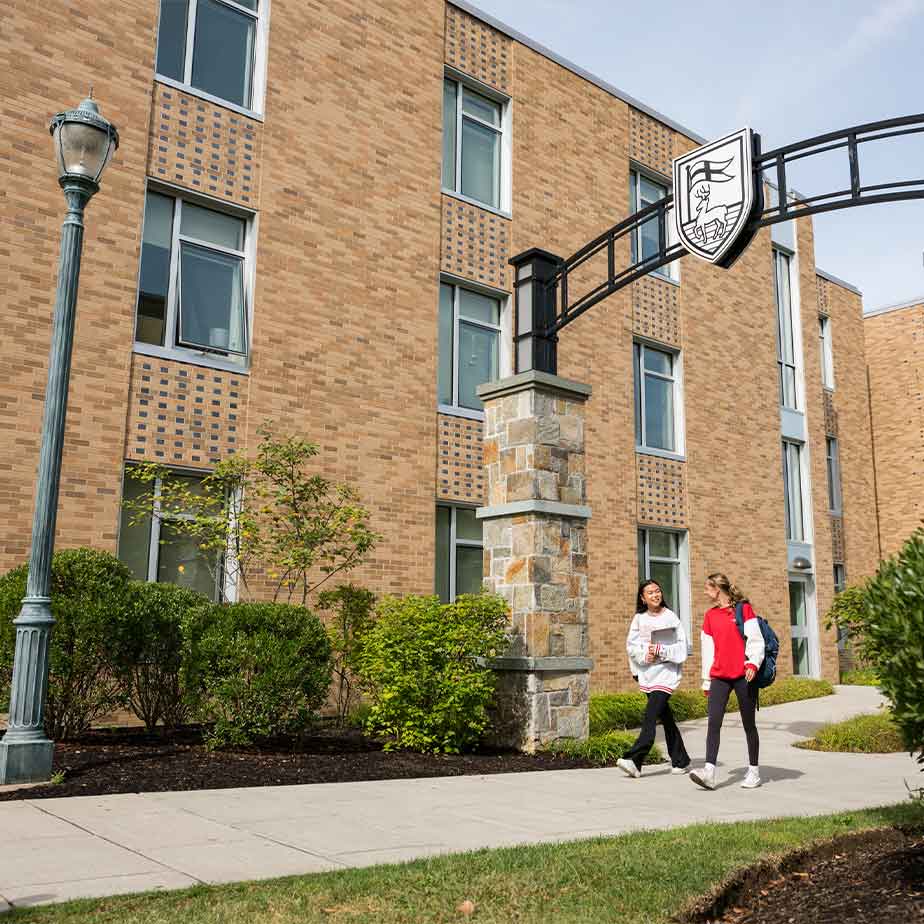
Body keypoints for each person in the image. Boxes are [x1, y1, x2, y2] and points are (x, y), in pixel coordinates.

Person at [690, 572, 765, 791]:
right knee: (713, 724)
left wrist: (752, 664)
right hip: (719, 677)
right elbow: (708, 651)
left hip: (743, 675)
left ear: (717, 588)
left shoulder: (743, 609)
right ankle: (709, 772)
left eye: (707, 588)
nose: (705, 592)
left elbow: (756, 639)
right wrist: (706, 680)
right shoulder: (710, 616)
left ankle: (754, 771)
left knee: (748, 724)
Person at [616, 579, 691, 778]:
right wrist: (644, 656)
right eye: (650, 592)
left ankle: (635, 760)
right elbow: (631, 647)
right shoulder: (639, 619)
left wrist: (661, 650)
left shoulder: (671, 617)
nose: (655, 595)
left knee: (650, 717)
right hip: (648, 674)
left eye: (657, 591)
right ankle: (680, 760)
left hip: (667, 674)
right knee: (666, 718)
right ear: (643, 598)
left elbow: (682, 648)